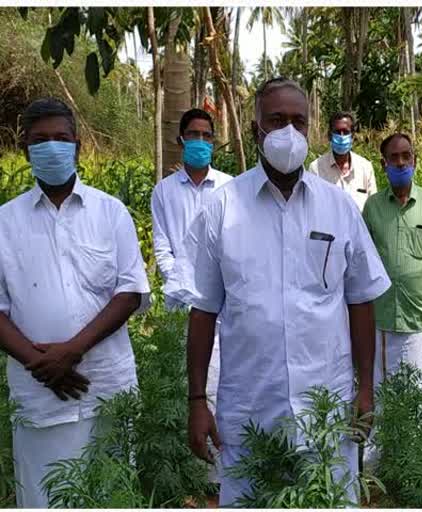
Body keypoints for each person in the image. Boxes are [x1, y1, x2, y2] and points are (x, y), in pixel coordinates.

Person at [163, 78, 391, 506]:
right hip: (252, 408)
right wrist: (197, 400)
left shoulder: (338, 208)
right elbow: (203, 311)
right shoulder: (222, 208)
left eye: (298, 122)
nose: (288, 132)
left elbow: (360, 299)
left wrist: (365, 388)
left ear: (309, 131)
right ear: (256, 131)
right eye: (277, 120)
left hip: (327, 407)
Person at [0, 98, 150, 507]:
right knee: (46, 496)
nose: (52, 147)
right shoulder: (5, 222)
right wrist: (42, 363)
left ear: (77, 146)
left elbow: (130, 291)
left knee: (112, 494)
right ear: (26, 149)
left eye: (61, 139)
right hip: (40, 390)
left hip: (107, 385)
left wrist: (72, 351)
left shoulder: (110, 212)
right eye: (40, 140)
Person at [361, 133, 422, 468]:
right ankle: (381, 462)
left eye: (406, 156)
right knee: (385, 388)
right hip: (385, 315)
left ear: (415, 160)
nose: (401, 163)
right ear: (383, 164)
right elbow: (362, 259)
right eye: (393, 158)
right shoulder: (372, 207)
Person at [150, 108, 232, 483]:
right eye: (193, 135)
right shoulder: (164, 191)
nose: (200, 141)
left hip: (224, 303)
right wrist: (176, 281)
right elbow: (162, 245)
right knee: (185, 382)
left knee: (220, 379)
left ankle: (219, 477)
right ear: (180, 140)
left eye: (206, 135)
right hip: (181, 300)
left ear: (213, 141)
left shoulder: (230, 187)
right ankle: (187, 476)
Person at [308, 111, 377, 211]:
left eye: (346, 132)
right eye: (337, 132)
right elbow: (312, 207)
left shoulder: (365, 167)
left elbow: (373, 208)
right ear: (329, 135)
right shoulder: (316, 168)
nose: (341, 136)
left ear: (352, 136)